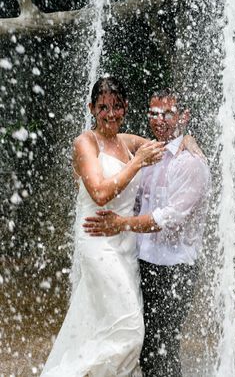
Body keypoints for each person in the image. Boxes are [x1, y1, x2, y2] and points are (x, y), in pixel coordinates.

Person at [41, 76, 165, 377]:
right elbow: (99, 193)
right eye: (103, 107)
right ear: (91, 108)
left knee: (98, 323)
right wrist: (136, 164)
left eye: (118, 106)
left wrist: (187, 140)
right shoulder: (85, 142)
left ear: (125, 108)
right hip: (96, 241)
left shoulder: (127, 141)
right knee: (130, 329)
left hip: (124, 245)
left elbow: (165, 144)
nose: (111, 114)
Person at [84, 88, 211, 377]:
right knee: (139, 344)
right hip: (141, 261)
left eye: (168, 113)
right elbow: (108, 141)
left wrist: (122, 224)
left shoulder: (191, 163)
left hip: (175, 268)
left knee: (161, 346)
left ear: (184, 116)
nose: (159, 120)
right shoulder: (150, 154)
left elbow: (169, 218)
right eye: (153, 113)